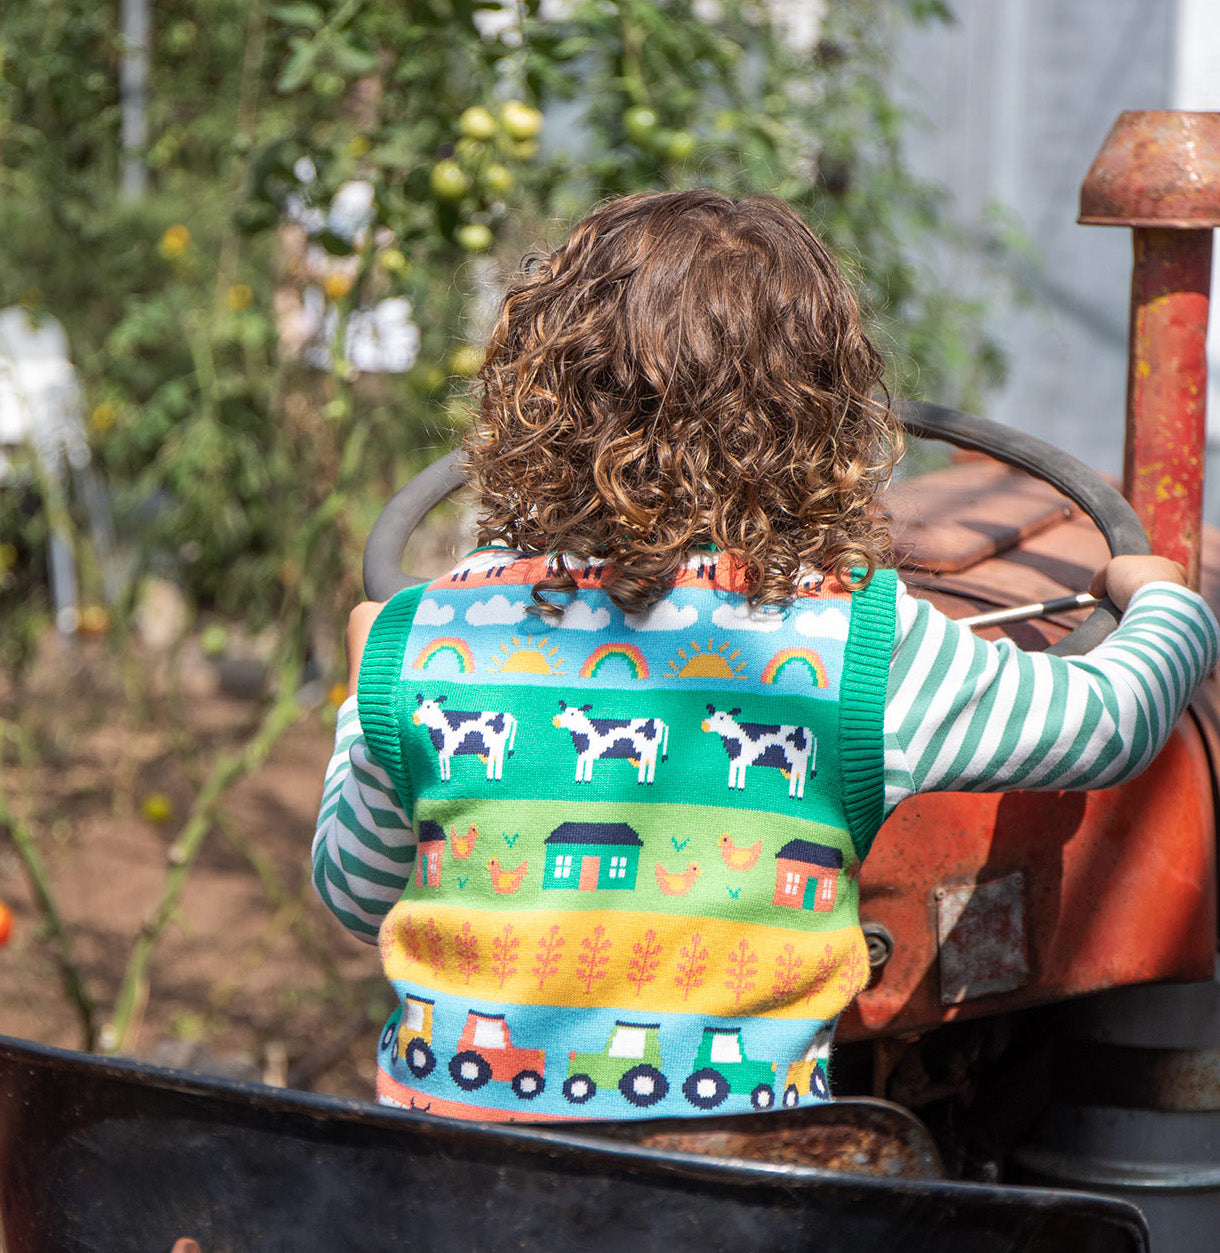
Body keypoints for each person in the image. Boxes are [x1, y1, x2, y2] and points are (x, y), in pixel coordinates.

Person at [313, 189, 1219, 1122]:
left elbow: (355, 891)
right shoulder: (862, 639)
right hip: (749, 1188)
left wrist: (362, 698)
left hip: (450, 1173)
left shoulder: (418, 636)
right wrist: (1164, 603)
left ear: (538, 400)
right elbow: (1108, 724)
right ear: (825, 412)